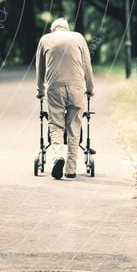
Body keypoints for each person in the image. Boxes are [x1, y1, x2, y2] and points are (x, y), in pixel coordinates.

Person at [36, 18, 95, 179]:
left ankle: (58, 156)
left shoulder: (45, 40)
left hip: (55, 88)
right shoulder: (78, 38)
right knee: (74, 126)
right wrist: (90, 88)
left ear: (52, 29)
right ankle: (71, 169)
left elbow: (40, 68)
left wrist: (40, 90)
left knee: (56, 125)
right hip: (77, 87)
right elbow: (87, 65)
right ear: (67, 29)